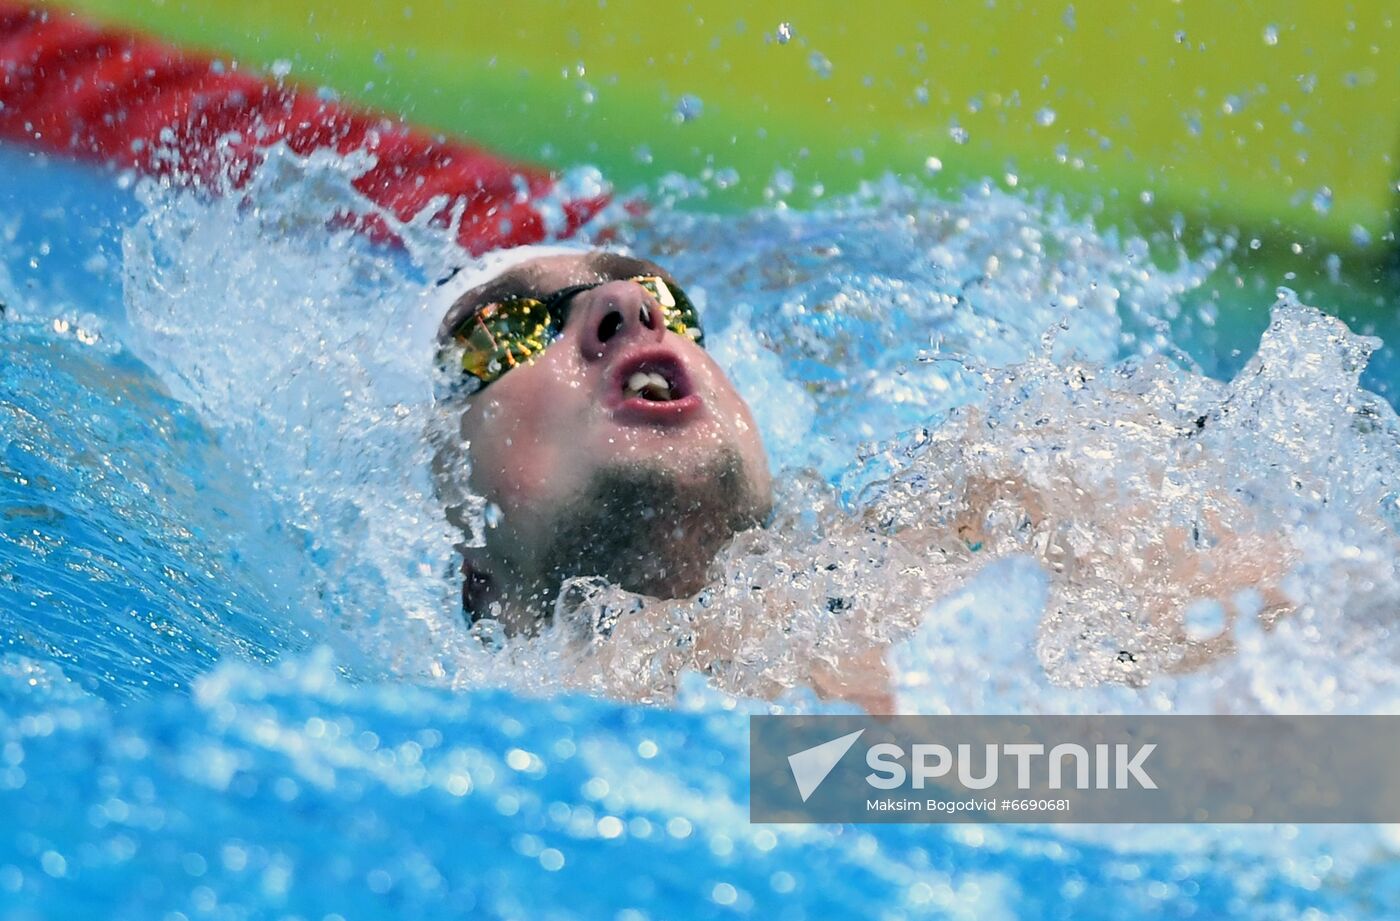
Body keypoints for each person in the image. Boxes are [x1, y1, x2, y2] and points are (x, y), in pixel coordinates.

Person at [430, 245, 1295, 708]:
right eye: (505, 330)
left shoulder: (1006, 515)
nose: (627, 306)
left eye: (665, 297)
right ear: (444, 533)